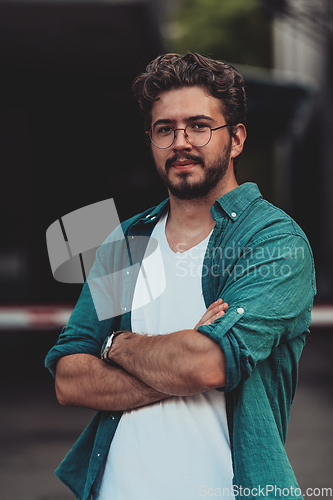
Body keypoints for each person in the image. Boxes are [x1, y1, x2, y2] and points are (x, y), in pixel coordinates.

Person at [45, 53, 316, 500]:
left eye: (199, 126)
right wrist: (178, 359)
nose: (180, 142)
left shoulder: (273, 241)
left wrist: (116, 344)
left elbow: (205, 364)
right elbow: (70, 378)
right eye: (164, 129)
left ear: (236, 139)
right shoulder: (127, 239)